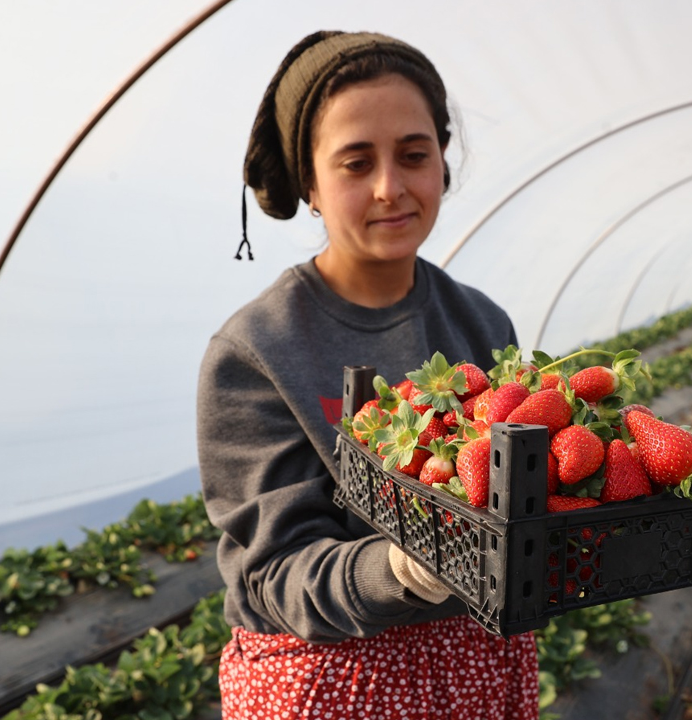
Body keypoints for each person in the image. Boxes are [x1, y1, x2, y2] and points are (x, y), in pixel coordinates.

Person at [196, 30, 539, 719]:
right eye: (356, 164)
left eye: (414, 155)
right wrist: (403, 568)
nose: (391, 188)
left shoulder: (482, 325)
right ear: (311, 185)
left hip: (474, 659)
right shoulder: (256, 351)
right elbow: (272, 574)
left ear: (443, 160)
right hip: (329, 678)